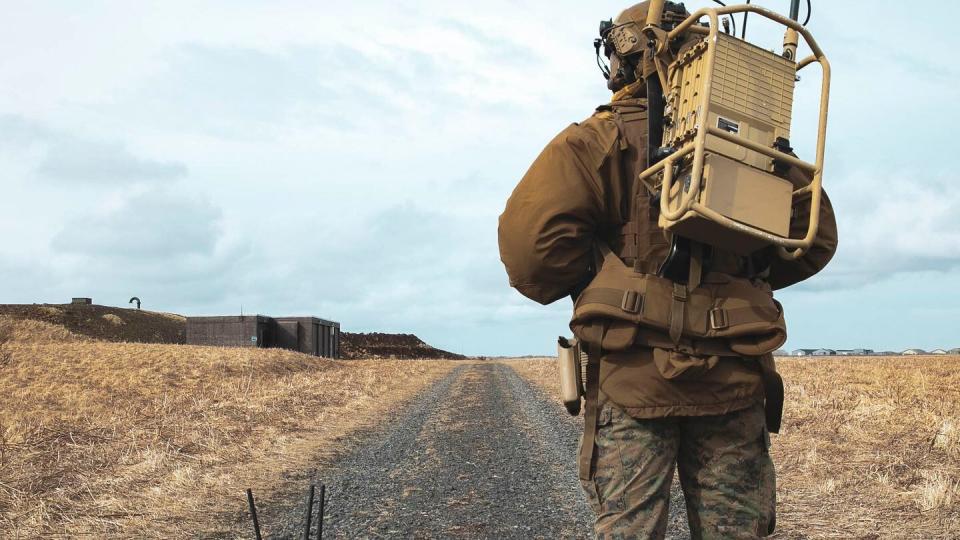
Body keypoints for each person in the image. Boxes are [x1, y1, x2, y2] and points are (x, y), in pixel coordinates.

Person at [497, 2, 838, 538]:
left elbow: (530, 255)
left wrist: (600, 276)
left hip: (632, 382)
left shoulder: (593, 141)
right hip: (735, 380)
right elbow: (811, 243)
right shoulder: (755, 145)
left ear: (623, 57)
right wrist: (742, 280)